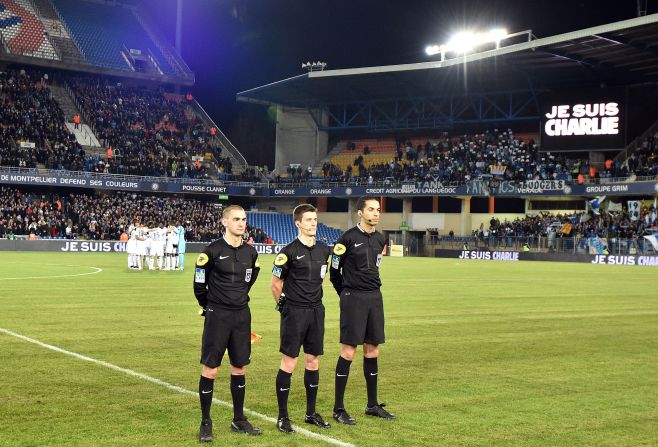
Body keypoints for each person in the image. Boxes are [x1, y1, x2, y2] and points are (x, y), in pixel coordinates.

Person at [193, 205, 262, 442]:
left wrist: (237, 298)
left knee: (239, 367)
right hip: (217, 315)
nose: (241, 223)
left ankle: (239, 419)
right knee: (211, 369)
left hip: (241, 315)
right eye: (236, 219)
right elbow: (199, 285)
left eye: (243, 219)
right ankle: (205, 422)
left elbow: (250, 279)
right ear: (224, 222)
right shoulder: (211, 252)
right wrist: (211, 306)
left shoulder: (251, 253)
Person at [329, 196, 395, 425]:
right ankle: (338, 409)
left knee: (372, 350)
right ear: (360, 212)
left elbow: (376, 265)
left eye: (378, 210)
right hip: (353, 298)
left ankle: (372, 405)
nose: (376, 213)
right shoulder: (346, 239)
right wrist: (346, 294)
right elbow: (334, 273)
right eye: (371, 209)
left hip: (374, 298)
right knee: (349, 351)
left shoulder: (380, 238)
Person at [270, 204, 332, 434]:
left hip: (316, 310)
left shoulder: (324, 250)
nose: (313, 223)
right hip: (294, 312)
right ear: (298, 223)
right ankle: (283, 416)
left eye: (315, 219)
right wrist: (284, 307)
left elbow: (321, 278)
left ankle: (310, 413)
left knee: (313, 361)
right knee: (289, 362)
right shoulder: (287, 252)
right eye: (308, 219)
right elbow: (275, 284)